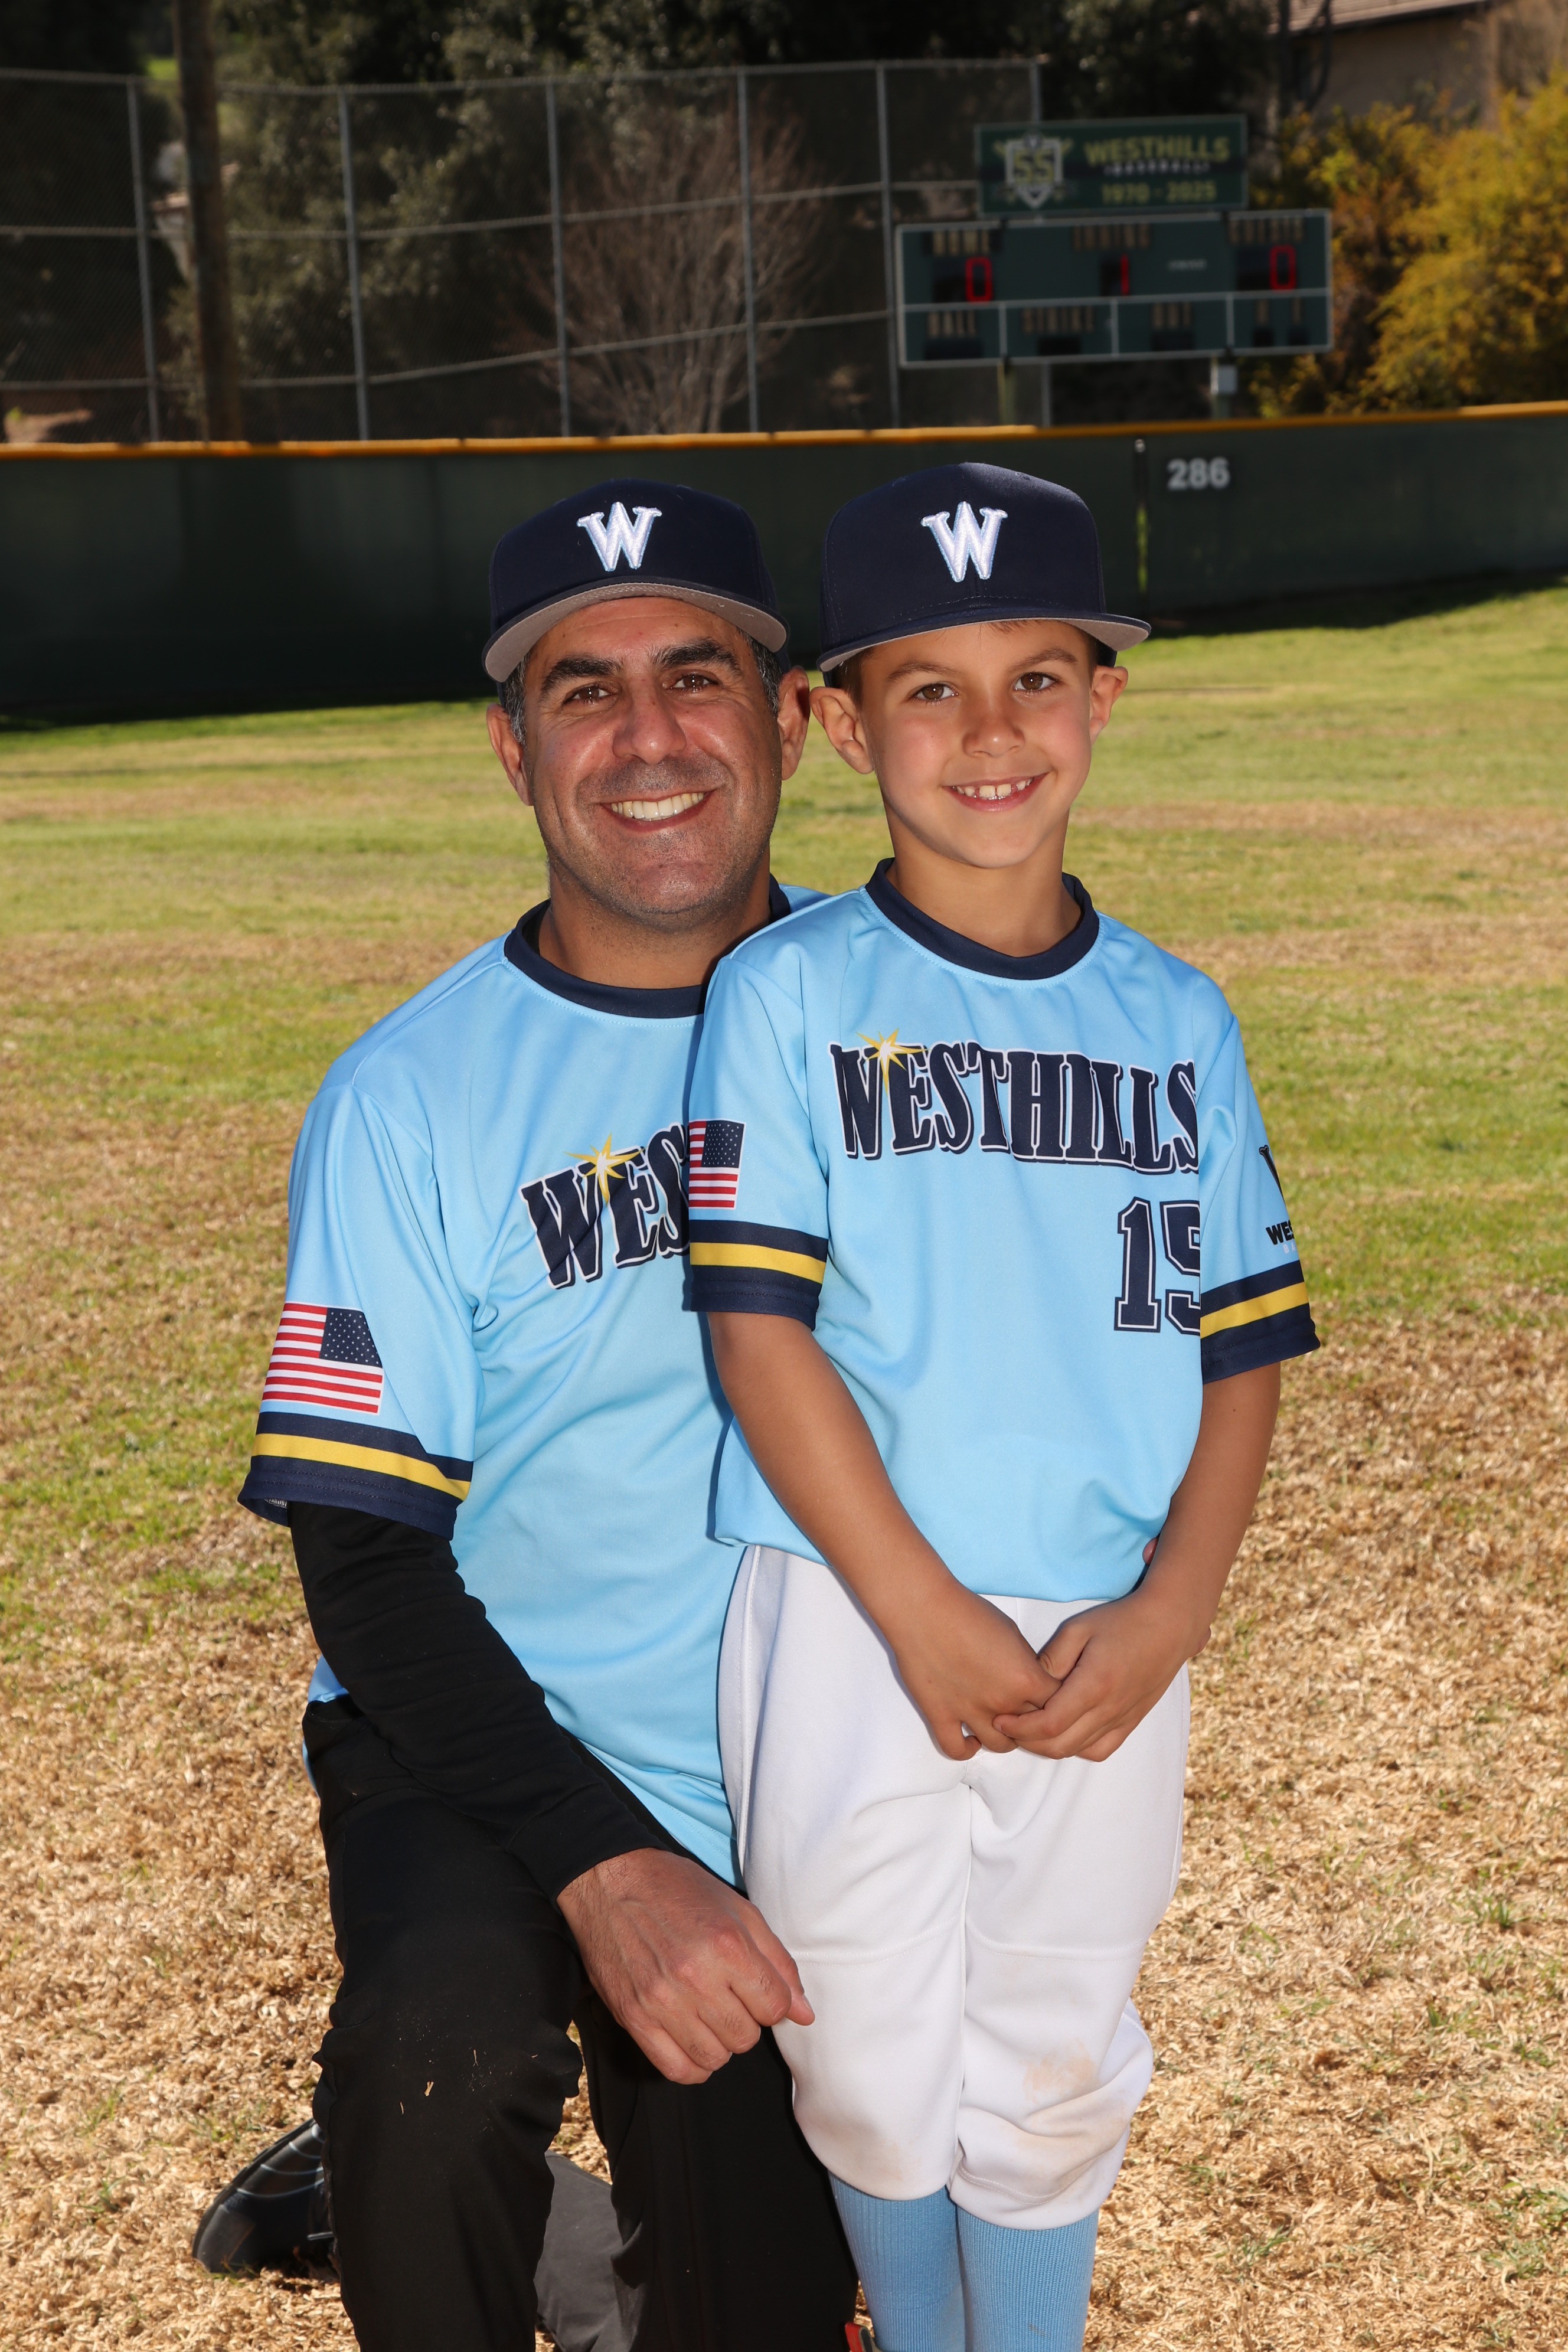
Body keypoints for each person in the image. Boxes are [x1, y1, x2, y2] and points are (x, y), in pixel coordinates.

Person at [195, 480, 858, 2352]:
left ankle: (570, 2242)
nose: (649, 738)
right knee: (442, 2059)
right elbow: (364, 1557)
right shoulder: (409, 1097)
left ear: (789, 718)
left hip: (795, 1750)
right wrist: (602, 1863)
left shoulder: (897, 1029)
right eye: (584, 690)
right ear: (513, 748)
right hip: (478, 1731)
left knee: (757, 2292)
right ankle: (381, 2171)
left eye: (696, 676)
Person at [684, 463, 1319, 2352]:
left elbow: (1242, 1346)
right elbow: (761, 1336)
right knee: (862, 2049)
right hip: (848, 1605)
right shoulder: (785, 992)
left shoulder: (1177, 1017)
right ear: (839, 720)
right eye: (928, 688)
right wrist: (917, 1609)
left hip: (1107, 1618)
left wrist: (1177, 1607)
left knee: (1052, 2046)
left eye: (1036, 678)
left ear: (1102, 697)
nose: (990, 733)